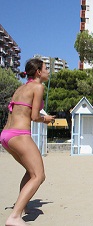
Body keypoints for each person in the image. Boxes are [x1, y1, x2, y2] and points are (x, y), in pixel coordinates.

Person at [0, 58, 55, 226]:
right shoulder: (38, 87)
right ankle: (15, 217)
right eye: (46, 68)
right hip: (19, 134)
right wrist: (45, 119)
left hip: (5, 135)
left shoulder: (21, 87)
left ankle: (21, 208)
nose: (48, 71)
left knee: (30, 171)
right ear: (38, 72)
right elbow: (34, 116)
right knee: (39, 175)